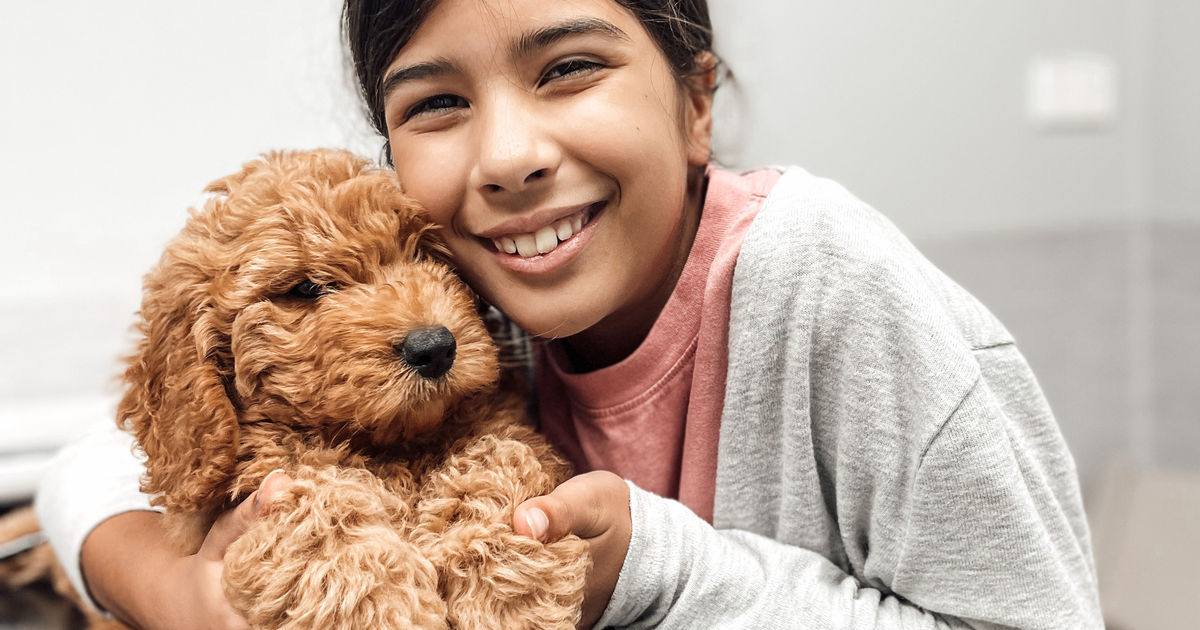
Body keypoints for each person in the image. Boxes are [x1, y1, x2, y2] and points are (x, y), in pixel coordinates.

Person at [36, 0, 1104, 628]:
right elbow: (96, 462)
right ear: (391, 156)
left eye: (572, 67)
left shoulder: (827, 280)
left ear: (696, 103)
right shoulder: (461, 293)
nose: (508, 159)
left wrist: (661, 571)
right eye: (438, 104)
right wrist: (176, 588)